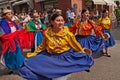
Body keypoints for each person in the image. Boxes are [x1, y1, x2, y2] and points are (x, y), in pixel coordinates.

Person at [18, 13, 94, 80]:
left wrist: (82, 51)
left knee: (60, 78)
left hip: (64, 59)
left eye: (62, 20)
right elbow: (42, 46)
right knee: (31, 68)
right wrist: (34, 53)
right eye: (58, 20)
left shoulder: (67, 33)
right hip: (50, 58)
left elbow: (75, 45)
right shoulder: (48, 33)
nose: (61, 22)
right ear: (52, 22)